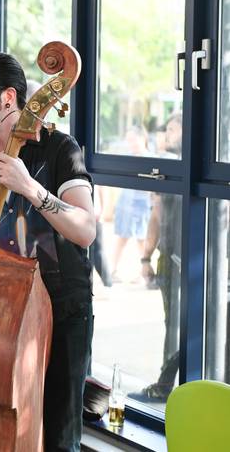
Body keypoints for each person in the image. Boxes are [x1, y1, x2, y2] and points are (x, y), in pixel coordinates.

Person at [0, 49, 95, 451]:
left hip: (61, 308)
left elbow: (85, 229)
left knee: (60, 435)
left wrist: (31, 188)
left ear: (8, 97)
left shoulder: (60, 151)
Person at [130, 113, 183, 402]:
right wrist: (146, 257)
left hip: (183, 259)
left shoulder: (174, 166)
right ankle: (168, 383)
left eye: (173, 128)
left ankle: (165, 385)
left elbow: (156, 214)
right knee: (174, 323)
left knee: (177, 324)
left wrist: (145, 257)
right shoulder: (169, 165)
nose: (167, 133)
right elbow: (156, 214)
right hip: (173, 257)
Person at [110, 126, 152, 283]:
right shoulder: (127, 157)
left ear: (143, 138)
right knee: (122, 237)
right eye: (129, 141)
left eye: (133, 140)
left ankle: (144, 273)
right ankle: (112, 270)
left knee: (142, 239)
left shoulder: (150, 158)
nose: (131, 144)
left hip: (142, 203)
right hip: (125, 203)